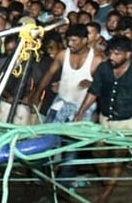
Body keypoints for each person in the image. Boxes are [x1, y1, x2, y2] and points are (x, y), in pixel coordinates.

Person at [74, 36, 132, 203]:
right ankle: (107, 182)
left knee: (118, 155)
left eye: (117, 54)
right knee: (98, 152)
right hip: (106, 118)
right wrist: (80, 112)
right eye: (111, 53)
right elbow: (93, 91)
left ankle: (107, 192)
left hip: (128, 119)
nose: (112, 57)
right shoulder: (104, 68)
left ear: (128, 55)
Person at [32, 24, 103, 180]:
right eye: (69, 40)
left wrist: (92, 84)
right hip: (60, 103)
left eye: (74, 41)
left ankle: (65, 182)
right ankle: (41, 177)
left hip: (81, 108)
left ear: (85, 40)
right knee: (45, 140)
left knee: (71, 148)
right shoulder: (63, 55)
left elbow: (105, 85)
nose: (70, 44)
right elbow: (49, 74)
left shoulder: (96, 60)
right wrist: (36, 95)